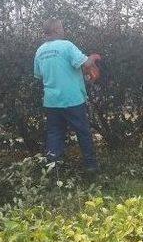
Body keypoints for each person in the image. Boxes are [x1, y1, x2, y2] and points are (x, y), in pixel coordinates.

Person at [33, 19, 101, 173]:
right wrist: (94, 57)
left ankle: (53, 171)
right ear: (57, 30)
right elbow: (86, 64)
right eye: (62, 28)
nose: (64, 31)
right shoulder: (66, 45)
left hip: (51, 102)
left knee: (54, 135)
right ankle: (91, 167)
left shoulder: (39, 51)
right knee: (82, 132)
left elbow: (38, 75)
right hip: (72, 99)